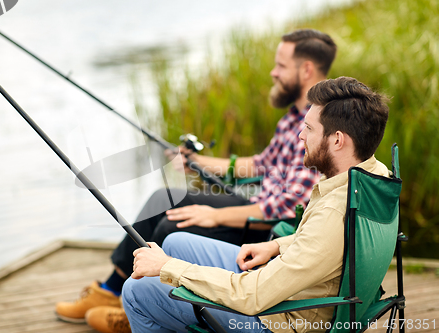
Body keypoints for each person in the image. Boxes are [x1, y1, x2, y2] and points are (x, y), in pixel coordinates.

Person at [55, 29, 337, 330]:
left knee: (173, 224)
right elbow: (260, 164)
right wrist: (200, 163)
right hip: (255, 206)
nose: (273, 72)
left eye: (280, 65)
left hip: (266, 227)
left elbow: (283, 207)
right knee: (164, 199)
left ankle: (146, 305)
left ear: (305, 69)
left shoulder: (316, 128)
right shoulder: (292, 119)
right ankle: (111, 290)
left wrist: (215, 215)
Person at [114, 76, 391, 333]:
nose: (300, 137)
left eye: (308, 129)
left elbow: (252, 296)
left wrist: (168, 267)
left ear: (337, 140)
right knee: (176, 242)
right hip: (289, 286)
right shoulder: (374, 176)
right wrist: (277, 245)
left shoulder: (334, 211)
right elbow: (329, 244)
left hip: (282, 318)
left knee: (137, 291)